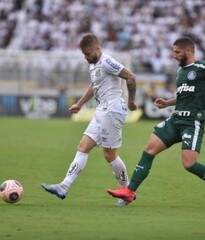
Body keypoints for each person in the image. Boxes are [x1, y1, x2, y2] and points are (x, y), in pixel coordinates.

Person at [107, 37, 205, 209]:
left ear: (188, 51)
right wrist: (168, 103)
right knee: (149, 149)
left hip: (193, 122)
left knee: (189, 163)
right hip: (175, 120)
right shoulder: (180, 72)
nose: (173, 55)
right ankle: (130, 192)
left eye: (177, 52)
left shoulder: (204, 68)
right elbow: (184, 97)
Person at [41, 33, 137, 206]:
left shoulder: (107, 61)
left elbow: (130, 77)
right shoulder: (93, 65)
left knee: (109, 155)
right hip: (102, 110)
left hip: (113, 110)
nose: (86, 58)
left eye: (88, 54)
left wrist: (130, 101)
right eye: (84, 55)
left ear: (97, 48)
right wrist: (79, 104)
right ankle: (64, 186)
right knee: (83, 147)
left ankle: (127, 191)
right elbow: (95, 86)